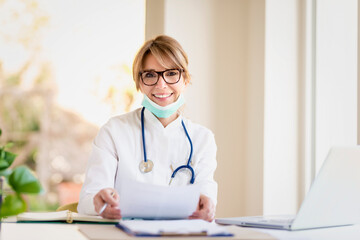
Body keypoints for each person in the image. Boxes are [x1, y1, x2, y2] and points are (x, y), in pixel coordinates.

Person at [77, 35, 218, 222]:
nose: (161, 84)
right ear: (139, 83)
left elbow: (206, 197)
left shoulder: (202, 139)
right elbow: (87, 199)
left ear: (185, 79)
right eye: (150, 75)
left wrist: (207, 206)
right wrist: (98, 202)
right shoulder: (114, 131)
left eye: (171, 73)